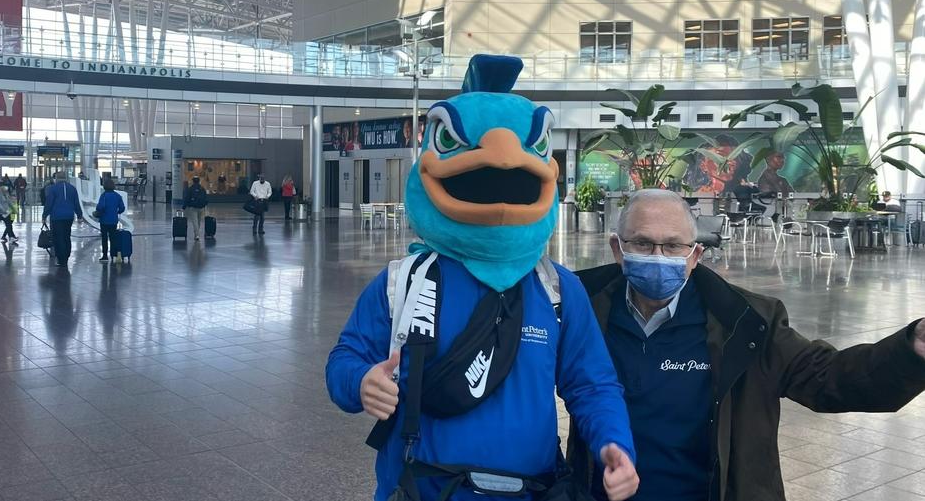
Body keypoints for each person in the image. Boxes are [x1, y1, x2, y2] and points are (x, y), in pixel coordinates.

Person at [327, 55, 639, 501]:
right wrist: (360, 381)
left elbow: (591, 383)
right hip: (422, 489)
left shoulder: (557, 290)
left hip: (530, 490)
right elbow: (345, 358)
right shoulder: (403, 283)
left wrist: (614, 442)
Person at [568, 189, 925, 501]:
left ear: (694, 256)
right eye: (643, 243)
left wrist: (911, 350)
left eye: (673, 245)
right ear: (618, 248)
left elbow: (829, 378)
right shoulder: (579, 307)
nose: (658, 256)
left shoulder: (747, 322)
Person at [42, 171, 83, 267]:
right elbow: (76, 203)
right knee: (66, 236)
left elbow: (49, 203)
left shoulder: (53, 189)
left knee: (58, 237)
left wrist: (44, 215)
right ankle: (67, 256)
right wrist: (80, 215)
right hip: (69, 216)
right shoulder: (72, 189)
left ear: (56, 178)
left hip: (56, 217)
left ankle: (61, 259)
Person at [95, 178, 126, 262]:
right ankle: (113, 255)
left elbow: (100, 207)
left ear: (104, 186)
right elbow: (122, 208)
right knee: (113, 238)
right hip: (113, 220)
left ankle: (105, 256)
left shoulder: (104, 195)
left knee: (104, 238)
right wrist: (117, 212)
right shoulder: (117, 196)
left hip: (104, 220)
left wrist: (97, 211)